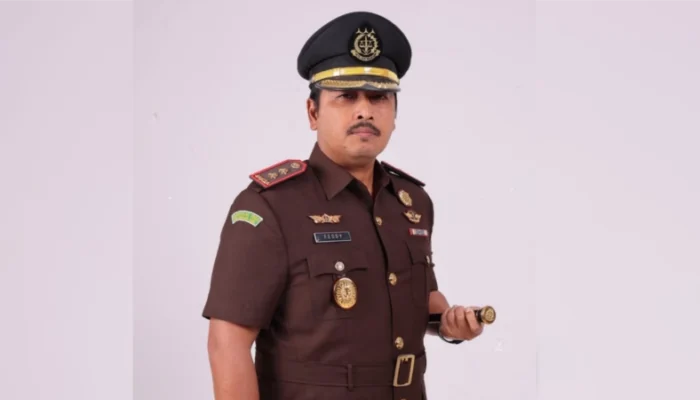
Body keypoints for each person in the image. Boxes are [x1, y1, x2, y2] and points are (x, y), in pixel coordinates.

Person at [202, 11, 488, 400]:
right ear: (313, 112)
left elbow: (419, 298)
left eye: (379, 97)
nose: (365, 111)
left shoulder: (412, 203)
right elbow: (228, 343)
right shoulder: (271, 207)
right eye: (346, 96)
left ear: (395, 113)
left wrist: (448, 323)